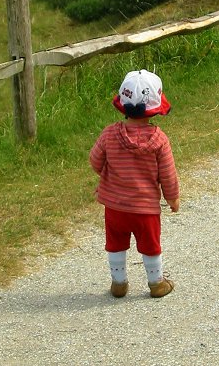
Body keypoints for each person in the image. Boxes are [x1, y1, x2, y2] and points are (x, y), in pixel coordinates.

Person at [89, 69, 179, 298]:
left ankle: (119, 283)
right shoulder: (159, 140)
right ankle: (156, 282)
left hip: (115, 207)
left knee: (116, 243)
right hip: (145, 209)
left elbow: (95, 160)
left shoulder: (110, 134)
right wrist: (172, 198)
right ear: (155, 107)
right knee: (150, 245)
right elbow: (167, 174)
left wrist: (106, 176)